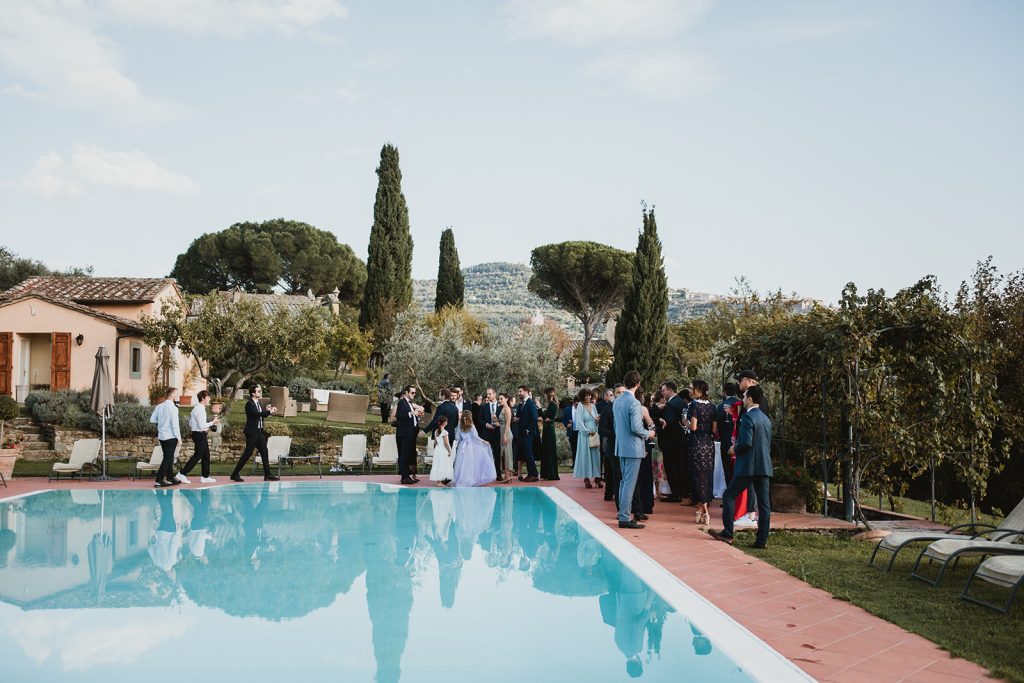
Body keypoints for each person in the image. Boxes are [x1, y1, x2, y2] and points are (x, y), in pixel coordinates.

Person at [709, 385, 773, 548]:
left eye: (744, 396)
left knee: (729, 495)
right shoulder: (766, 419)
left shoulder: (747, 418)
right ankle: (761, 541)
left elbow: (746, 442)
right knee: (764, 505)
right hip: (764, 466)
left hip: (748, 466)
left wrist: (733, 449)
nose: (742, 399)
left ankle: (728, 533)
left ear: (750, 399)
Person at [614, 371, 656, 529]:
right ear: (637, 384)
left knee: (624, 482)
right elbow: (636, 428)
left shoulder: (617, 401)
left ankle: (622, 514)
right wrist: (649, 433)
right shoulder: (634, 403)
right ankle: (624, 517)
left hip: (621, 446)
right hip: (633, 448)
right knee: (629, 483)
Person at [231, 384, 280, 482]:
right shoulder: (249, 404)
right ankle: (235, 474)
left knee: (264, 452)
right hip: (252, 432)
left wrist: (268, 411)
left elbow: (261, 416)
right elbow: (256, 414)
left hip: (259, 432)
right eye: (258, 391)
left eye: (260, 391)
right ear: (253, 393)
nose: (260, 392)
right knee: (248, 453)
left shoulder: (258, 403)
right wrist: (269, 412)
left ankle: (267, 475)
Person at [687, 380, 717, 525]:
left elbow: (693, 427)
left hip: (696, 443)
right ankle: (700, 509)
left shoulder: (694, 405)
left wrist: (683, 422)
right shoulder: (712, 406)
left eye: (692, 388)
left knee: (696, 476)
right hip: (709, 445)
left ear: (698, 390)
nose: (691, 390)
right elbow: (714, 430)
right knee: (706, 475)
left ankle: (704, 508)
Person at [178, 389, 220, 484]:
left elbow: (191, 423)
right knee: (198, 455)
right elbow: (201, 425)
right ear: (203, 398)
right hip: (199, 435)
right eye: (208, 397)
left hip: (199, 434)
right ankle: (182, 473)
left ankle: (205, 476)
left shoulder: (196, 408)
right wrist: (213, 422)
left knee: (206, 456)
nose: (209, 399)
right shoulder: (200, 409)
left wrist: (206, 427)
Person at [656, 382, 687, 503]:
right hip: (681, 439)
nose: (662, 393)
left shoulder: (671, 404)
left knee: (671, 467)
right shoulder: (682, 402)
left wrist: (657, 428)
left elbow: (666, 423)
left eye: (663, 391)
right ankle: (680, 491)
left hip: (670, 441)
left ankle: (675, 493)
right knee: (679, 466)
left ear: (670, 390)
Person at [452, 410, 498, 487]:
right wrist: (484, 441)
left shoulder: (459, 427)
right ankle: (471, 479)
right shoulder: (472, 426)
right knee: (471, 464)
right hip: (470, 446)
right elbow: (476, 437)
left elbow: (457, 438)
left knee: (462, 464)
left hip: (462, 447)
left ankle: (462, 479)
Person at [149, 387, 182, 488]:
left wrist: (162, 422)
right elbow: (175, 425)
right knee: (168, 458)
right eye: (177, 394)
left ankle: (170, 478)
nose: (178, 396)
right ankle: (159, 480)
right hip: (170, 436)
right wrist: (179, 438)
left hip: (162, 436)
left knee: (168, 457)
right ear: (172, 395)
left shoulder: (159, 406)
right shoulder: (173, 408)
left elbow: (152, 420)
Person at [572, 388, 601, 488]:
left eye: (589, 395)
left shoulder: (593, 406)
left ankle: (597, 478)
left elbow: (596, 419)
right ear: (582, 396)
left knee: (596, 456)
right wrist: (588, 432)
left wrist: (598, 422)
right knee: (586, 456)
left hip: (594, 433)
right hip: (585, 435)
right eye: (586, 395)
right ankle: (586, 478)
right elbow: (579, 422)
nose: (588, 397)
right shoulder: (580, 406)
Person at [395, 384, 424, 485]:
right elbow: (399, 416)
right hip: (405, 433)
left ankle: (408, 475)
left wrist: (416, 416)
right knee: (404, 455)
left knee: (409, 455)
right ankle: (404, 477)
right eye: (412, 392)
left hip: (411, 433)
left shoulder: (409, 403)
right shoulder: (402, 403)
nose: (414, 394)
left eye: (415, 393)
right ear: (406, 392)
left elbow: (410, 417)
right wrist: (412, 414)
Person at [715, 383, 741, 483]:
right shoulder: (741, 403)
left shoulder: (721, 406)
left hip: (725, 439)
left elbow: (717, 425)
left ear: (724, 392)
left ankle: (729, 488)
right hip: (739, 440)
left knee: (727, 466)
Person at [598, 386, 620, 502]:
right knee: (610, 471)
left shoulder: (630, 408)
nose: (619, 395)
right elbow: (601, 429)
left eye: (622, 392)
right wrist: (616, 434)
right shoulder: (607, 409)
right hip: (611, 445)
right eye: (617, 393)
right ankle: (609, 493)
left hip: (626, 447)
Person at [476, 387, 502, 476]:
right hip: (486, 433)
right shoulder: (483, 407)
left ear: (495, 394)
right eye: (487, 394)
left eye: (490, 394)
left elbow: (504, 420)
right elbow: (479, 419)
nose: (488, 395)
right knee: (484, 454)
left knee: (497, 454)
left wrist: (498, 423)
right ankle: (484, 474)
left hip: (497, 433)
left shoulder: (501, 406)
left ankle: (498, 474)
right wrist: (487, 425)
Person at [516, 386, 540, 482]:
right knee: (526, 453)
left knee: (528, 453)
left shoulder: (530, 403)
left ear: (526, 391)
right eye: (519, 391)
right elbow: (523, 417)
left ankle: (533, 475)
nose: (519, 393)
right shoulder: (523, 404)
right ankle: (532, 474)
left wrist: (529, 430)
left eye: (520, 391)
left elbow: (534, 418)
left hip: (528, 433)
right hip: (522, 433)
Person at [540, 388, 560, 480]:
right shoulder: (552, 404)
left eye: (545, 394)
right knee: (546, 451)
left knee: (549, 451)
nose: (544, 396)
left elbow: (546, 418)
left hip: (549, 430)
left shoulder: (552, 404)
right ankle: (547, 474)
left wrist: (539, 408)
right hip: (548, 429)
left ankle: (551, 474)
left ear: (549, 394)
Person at [429, 416, 455, 486]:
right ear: (444, 423)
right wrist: (449, 451)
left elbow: (435, 442)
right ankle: (440, 482)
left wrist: (438, 447)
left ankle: (438, 481)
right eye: (446, 421)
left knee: (438, 464)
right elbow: (446, 443)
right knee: (443, 465)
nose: (447, 422)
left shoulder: (436, 431)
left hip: (437, 449)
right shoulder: (445, 432)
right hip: (443, 450)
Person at [497, 393, 515, 484]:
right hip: (503, 432)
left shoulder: (507, 409)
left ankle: (508, 476)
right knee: (504, 455)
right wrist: (497, 420)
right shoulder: (503, 409)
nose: (499, 400)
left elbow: (508, 423)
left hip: (506, 434)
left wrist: (504, 435)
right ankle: (508, 476)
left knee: (507, 454)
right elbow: (503, 422)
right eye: (499, 399)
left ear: (506, 399)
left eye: (501, 399)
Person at [561, 396, 578, 466]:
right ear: (574, 402)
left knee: (580, 449)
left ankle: (580, 464)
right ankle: (574, 464)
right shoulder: (567, 409)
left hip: (580, 432)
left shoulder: (582, 409)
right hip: (572, 432)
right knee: (573, 448)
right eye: (576, 404)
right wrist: (566, 425)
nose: (578, 405)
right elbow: (563, 419)